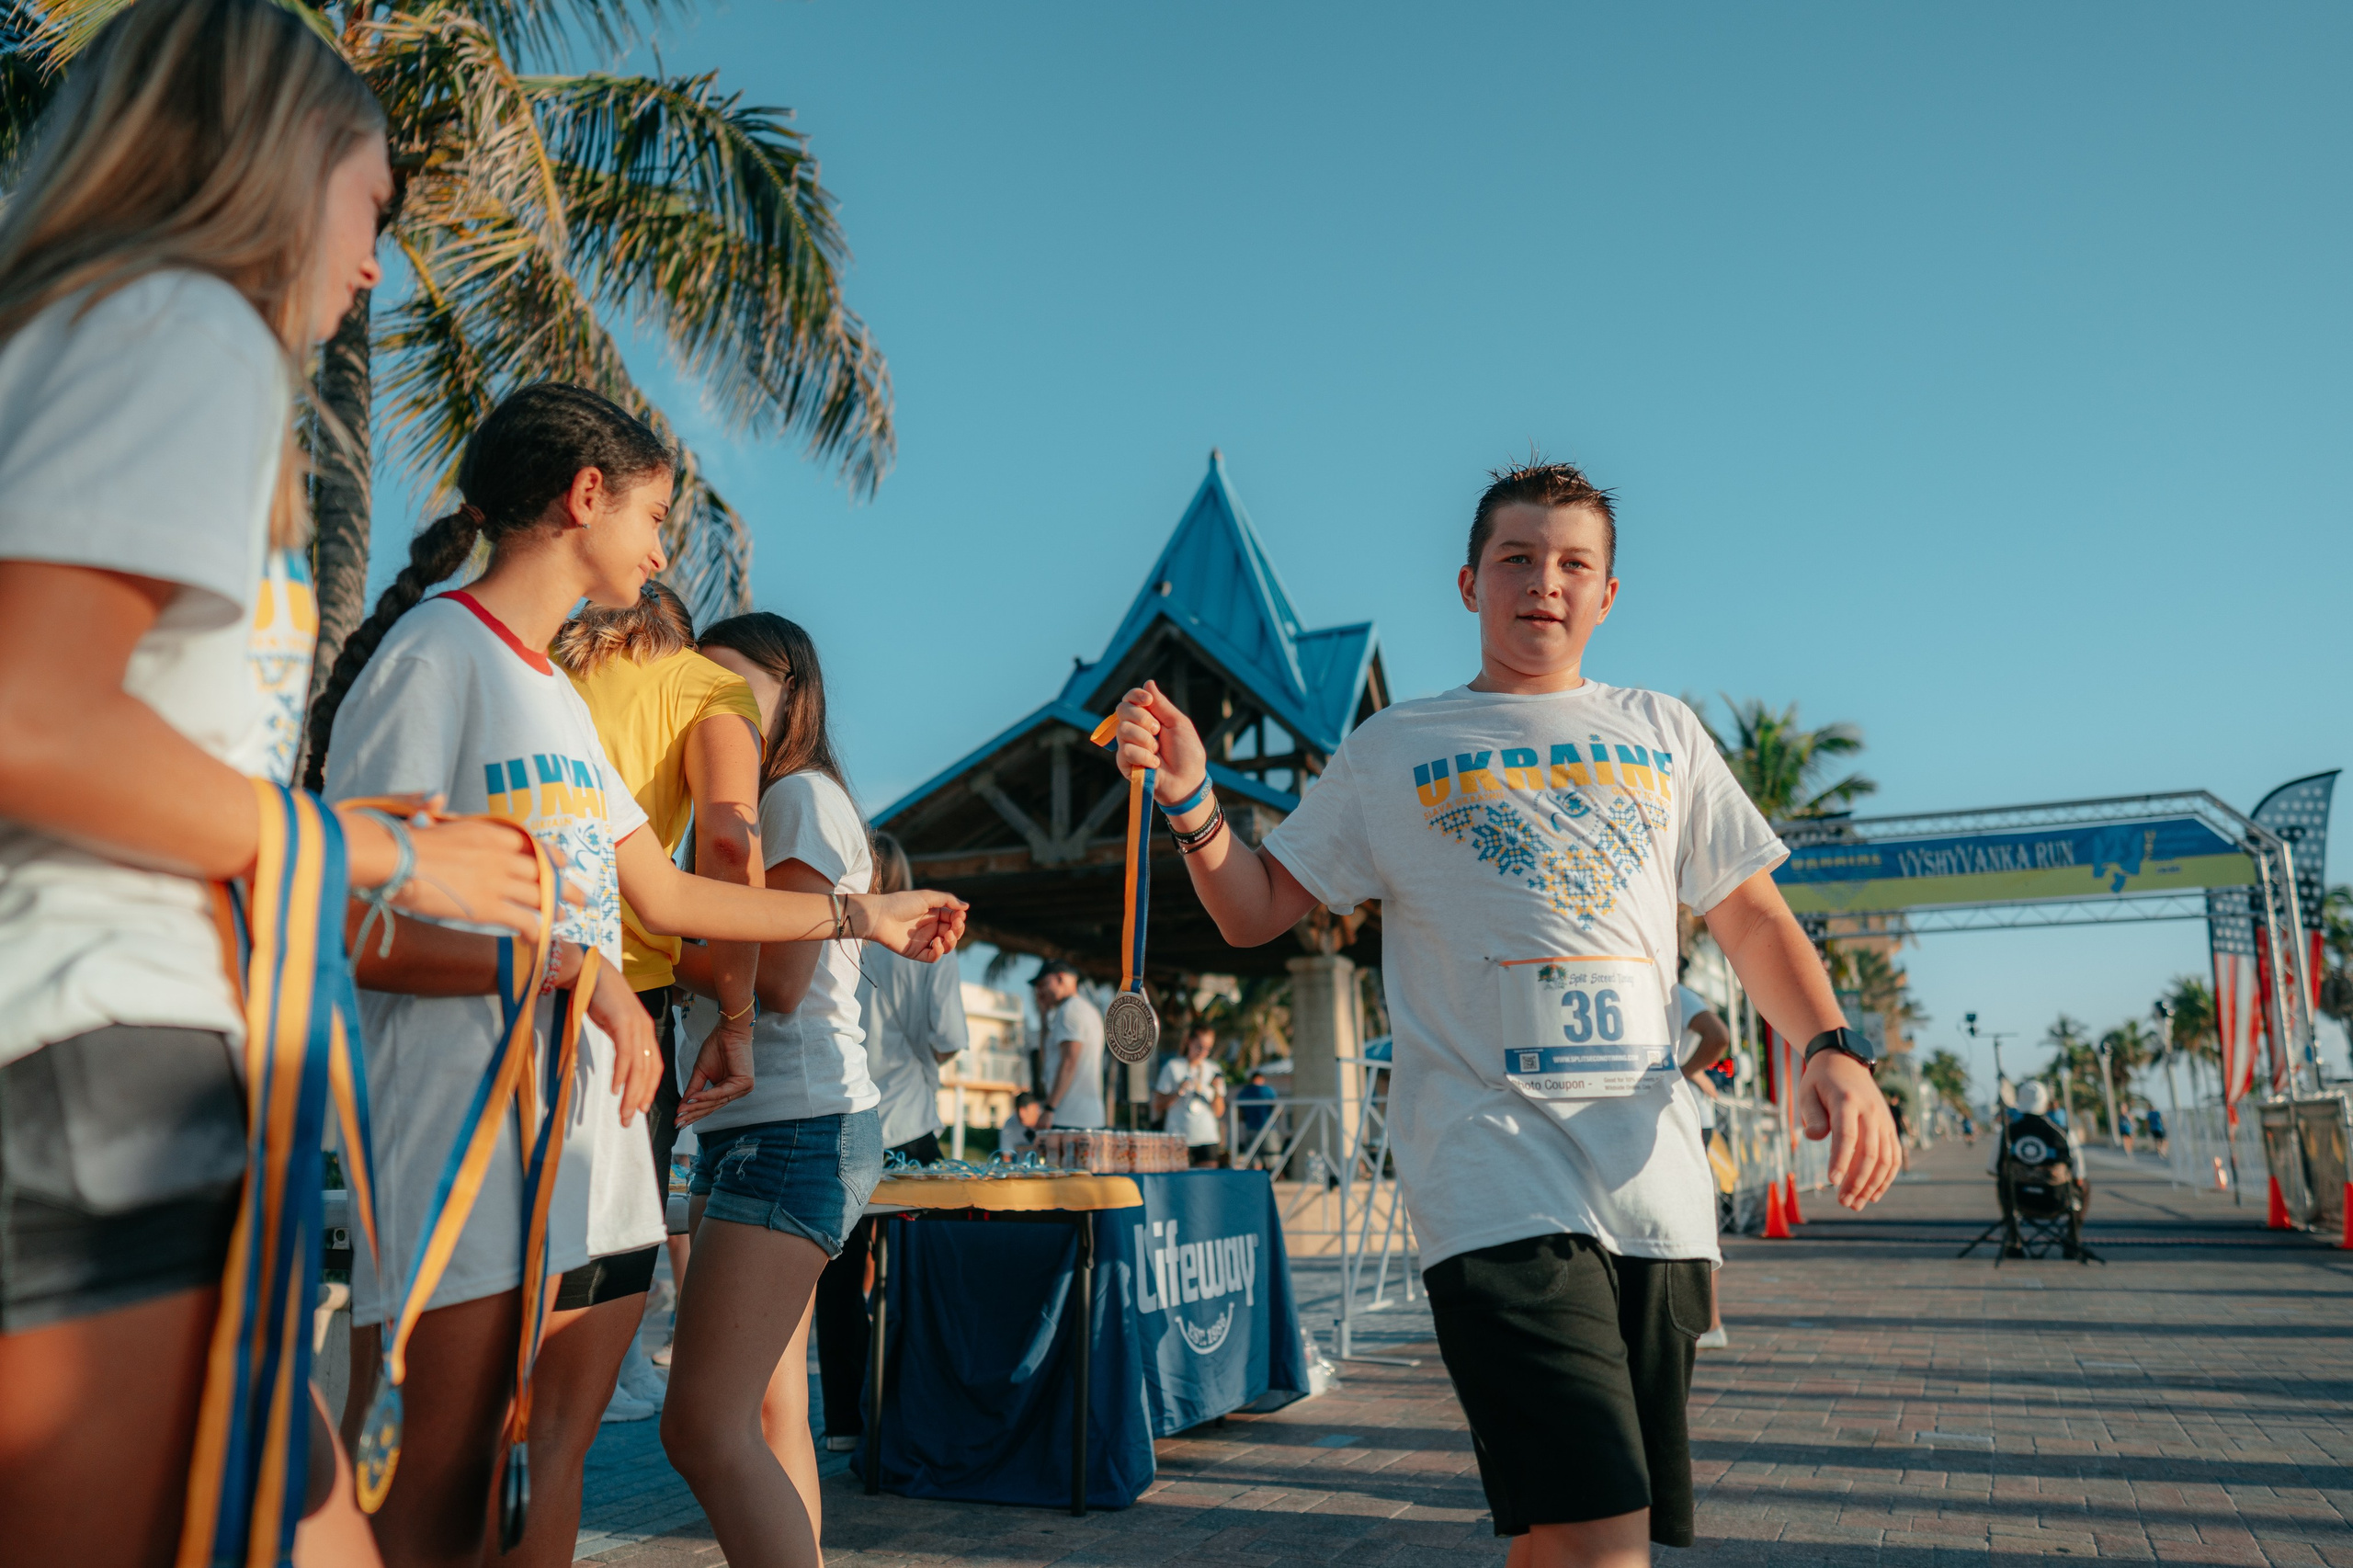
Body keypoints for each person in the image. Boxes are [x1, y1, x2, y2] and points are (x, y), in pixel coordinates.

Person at [1110, 459, 1899, 1565]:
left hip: (1653, 1189)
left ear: (1607, 594)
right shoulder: (1394, 747)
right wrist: (1193, 798)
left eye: (1573, 563)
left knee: (1567, 1529)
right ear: (1469, 581)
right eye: (1517, 557)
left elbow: (1752, 914)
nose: (1544, 581)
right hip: (1491, 1173)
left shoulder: (1662, 730)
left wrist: (1830, 1046)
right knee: (1600, 1524)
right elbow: (1256, 907)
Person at [0, 5, 554, 1562]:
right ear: (279, 159)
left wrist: (329, 839)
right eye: (373, 203)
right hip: (95, 1054)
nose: (376, 264)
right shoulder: (187, 326)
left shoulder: (95, 333)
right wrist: (375, 855)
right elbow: (31, 713)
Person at [309, 387, 963, 1568]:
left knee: (548, 1459)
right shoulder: (435, 656)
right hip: (463, 1158)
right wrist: (562, 971)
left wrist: (861, 915)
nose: (664, 551)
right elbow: (347, 922)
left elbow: (667, 895)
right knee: (427, 1497)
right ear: (585, 496)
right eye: (655, 515)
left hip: (600, 1162)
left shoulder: (557, 699)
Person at [657, 611, 886, 1568]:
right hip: (765, 1125)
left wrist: (636, 933)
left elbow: (780, 979)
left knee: (700, 1425)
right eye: (695, 682)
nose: (709, 702)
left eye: (731, 682)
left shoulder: (792, 797)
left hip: (795, 1125)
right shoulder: (759, 803)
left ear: (792, 689)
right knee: (765, 1408)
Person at [555, 579, 764, 1422]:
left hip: (501, 971)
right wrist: (737, 1019)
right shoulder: (707, 687)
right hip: (623, 998)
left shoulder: (537, 664)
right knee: (601, 1254)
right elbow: (729, 843)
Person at [811, 828, 970, 1453]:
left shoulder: (834, 936)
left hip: (845, 1121)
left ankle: (844, 1424)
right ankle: (918, 1408)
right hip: (910, 1128)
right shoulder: (931, 941)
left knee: (839, 1282)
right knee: (925, 1275)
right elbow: (948, 1038)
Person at [1672, 979, 1733, 1351]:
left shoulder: (1674, 992)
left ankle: (1710, 1324)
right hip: (1679, 1115)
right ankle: (1707, 1324)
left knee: (1691, 1218)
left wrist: (1680, 1072)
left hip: (1683, 1117)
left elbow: (1718, 1036)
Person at [1031, 959, 1107, 1131]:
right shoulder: (1088, 1010)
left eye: (1043, 984)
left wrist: (1049, 1108)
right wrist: (1043, 1016)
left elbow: (1069, 1062)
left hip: (1069, 1119)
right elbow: (1048, 1058)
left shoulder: (1069, 1010)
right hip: (1086, 1117)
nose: (1039, 991)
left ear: (1060, 978)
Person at [1154, 1023, 1228, 1166]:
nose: (1203, 1052)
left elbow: (1219, 1112)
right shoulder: (1173, 1067)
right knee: (1178, 1178)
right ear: (1189, 1042)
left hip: (1207, 1137)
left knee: (1207, 1178)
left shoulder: (1214, 1070)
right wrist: (1178, 1092)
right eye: (1199, 1047)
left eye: (1208, 1048)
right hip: (1178, 1137)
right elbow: (1157, 1105)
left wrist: (1216, 1092)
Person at [1233, 1068, 1281, 1167]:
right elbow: (1278, 1110)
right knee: (1273, 1158)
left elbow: (1240, 1114)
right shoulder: (1268, 1090)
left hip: (1251, 1129)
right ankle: (1274, 1175)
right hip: (1268, 1129)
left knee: (1254, 1158)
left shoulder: (1244, 1092)